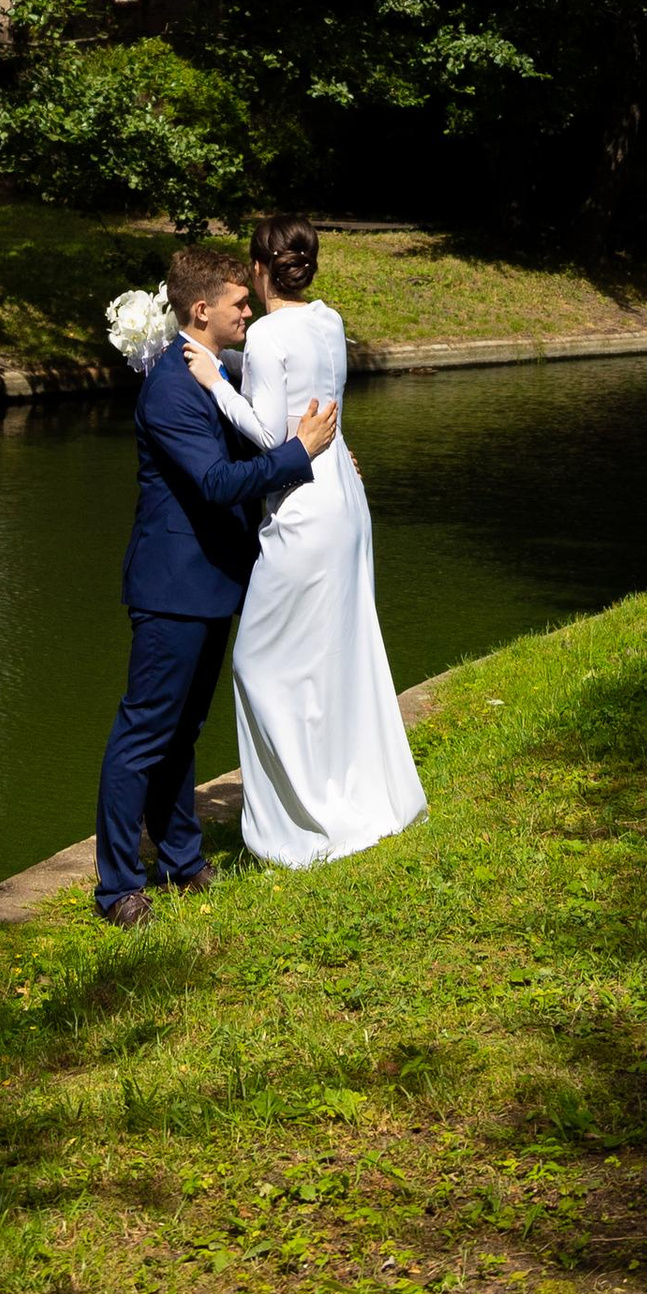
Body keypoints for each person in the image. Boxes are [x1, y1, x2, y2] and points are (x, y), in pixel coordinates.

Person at [94, 246, 336, 928]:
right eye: (239, 302)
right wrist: (300, 454)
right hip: (172, 586)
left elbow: (252, 436)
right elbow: (215, 482)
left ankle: (181, 860)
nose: (249, 310)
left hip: (211, 582)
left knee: (183, 730)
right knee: (144, 732)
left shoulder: (215, 372)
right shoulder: (172, 387)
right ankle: (118, 888)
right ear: (202, 310)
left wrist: (326, 458)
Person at [185, 211, 426, 866]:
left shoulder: (268, 335)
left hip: (303, 511)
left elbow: (272, 435)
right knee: (336, 653)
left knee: (257, 661)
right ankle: (350, 792)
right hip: (346, 501)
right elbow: (308, 388)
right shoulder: (328, 321)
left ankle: (302, 821)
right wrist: (234, 360)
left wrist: (216, 380)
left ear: (258, 268)